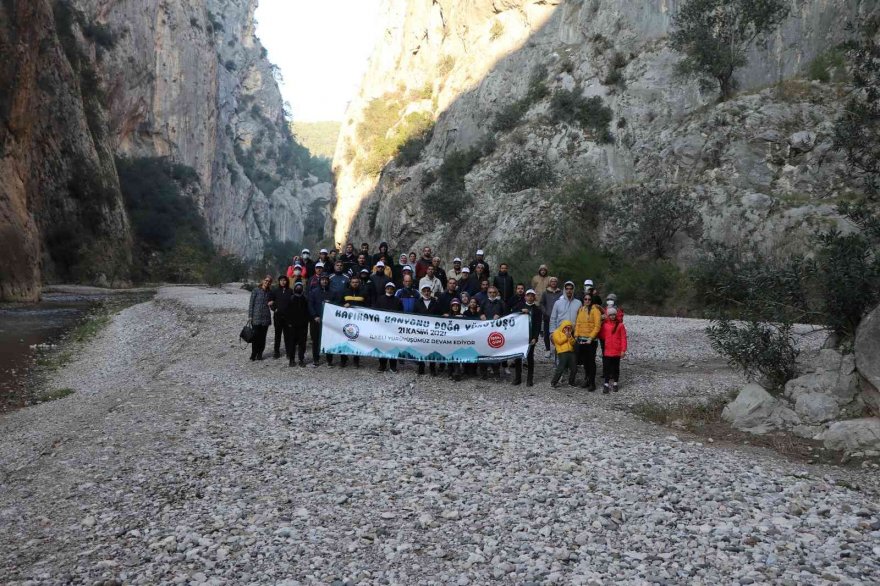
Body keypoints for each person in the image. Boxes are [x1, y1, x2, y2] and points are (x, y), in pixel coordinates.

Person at [513, 289, 543, 386]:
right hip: (519, 336)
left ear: (534, 297)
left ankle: (530, 379)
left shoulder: (537, 310)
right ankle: (518, 378)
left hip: (530, 336)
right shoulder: (519, 306)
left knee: (530, 357)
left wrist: (535, 337)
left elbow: (538, 325)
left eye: (532, 296)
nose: (530, 297)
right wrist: (520, 311)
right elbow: (512, 314)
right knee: (518, 357)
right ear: (525, 297)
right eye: (528, 295)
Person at [574, 294, 602, 391]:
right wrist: (576, 334)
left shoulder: (595, 311)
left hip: (591, 341)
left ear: (592, 300)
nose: (587, 301)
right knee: (585, 362)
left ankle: (592, 383)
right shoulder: (581, 309)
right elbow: (578, 323)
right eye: (585, 299)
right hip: (581, 339)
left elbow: (597, 326)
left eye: (589, 299)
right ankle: (587, 379)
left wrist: (591, 337)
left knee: (591, 362)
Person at [307, 274, 337, 366]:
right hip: (316, 320)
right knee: (315, 340)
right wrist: (315, 316)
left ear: (328, 281)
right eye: (322, 280)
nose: (324, 281)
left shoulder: (333, 292)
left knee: (329, 340)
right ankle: (316, 359)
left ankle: (329, 360)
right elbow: (310, 305)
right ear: (319, 281)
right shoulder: (314, 292)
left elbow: (336, 305)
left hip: (329, 321)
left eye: (326, 280)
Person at [340, 275, 368, 368]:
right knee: (344, 339)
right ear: (350, 283)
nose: (355, 284)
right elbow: (338, 304)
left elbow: (368, 305)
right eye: (353, 282)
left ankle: (356, 360)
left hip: (359, 321)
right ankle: (343, 359)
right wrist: (344, 304)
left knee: (357, 340)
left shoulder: (364, 292)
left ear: (359, 283)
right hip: (346, 320)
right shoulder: (344, 292)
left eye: (356, 282)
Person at [373, 282, 402, 372]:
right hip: (382, 328)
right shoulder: (380, 299)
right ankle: (382, 365)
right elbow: (376, 312)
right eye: (388, 288)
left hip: (393, 328)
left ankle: (393, 366)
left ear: (394, 290)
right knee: (382, 346)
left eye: (391, 288)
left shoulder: (398, 300)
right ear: (385, 289)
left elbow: (401, 314)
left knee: (393, 347)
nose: (390, 290)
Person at [599, 307, 627, 393]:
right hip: (608, 350)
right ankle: (606, 384)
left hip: (617, 350)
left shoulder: (620, 325)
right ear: (608, 315)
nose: (612, 316)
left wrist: (623, 350)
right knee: (607, 368)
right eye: (610, 315)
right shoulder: (605, 325)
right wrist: (600, 323)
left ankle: (615, 383)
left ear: (616, 315)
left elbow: (623, 338)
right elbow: (601, 336)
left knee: (615, 368)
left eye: (613, 314)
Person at [415, 284, 440, 375]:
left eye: (428, 291)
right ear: (422, 292)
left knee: (432, 348)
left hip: (433, 330)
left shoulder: (436, 302)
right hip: (421, 330)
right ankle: (421, 367)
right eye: (424, 291)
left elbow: (439, 315)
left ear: (430, 292)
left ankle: (432, 367)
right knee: (421, 348)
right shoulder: (417, 302)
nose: (426, 292)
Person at [248, 275, 273, 361]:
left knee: (263, 338)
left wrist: (273, 303)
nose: (267, 282)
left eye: (269, 281)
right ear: (263, 281)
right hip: (256, 317)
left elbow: (273, 304)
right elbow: (251, 304)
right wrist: (250, 316)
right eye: (266, 280)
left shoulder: (270, 292)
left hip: (265, 318)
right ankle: (253, 354)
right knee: (255, 337)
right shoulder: (255, 290)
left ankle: (260, 354)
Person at [268, 275, 292, 359]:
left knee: (287, 336)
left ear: (287, 281)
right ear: (279, 281)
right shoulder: (275, 291)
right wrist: (274, 309)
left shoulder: (290, 291)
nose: (283, 282)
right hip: (277, 316)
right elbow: (271, 302)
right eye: (281, 280)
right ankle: (276, 352)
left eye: (284, 280)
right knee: (277, 335)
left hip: (288, 317)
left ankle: (289, 352)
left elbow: (293, 303)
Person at [287, 282, 310, 367]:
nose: (299, 288)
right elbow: (288, 311)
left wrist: (307, 321)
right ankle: (291, 359)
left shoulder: (305, 298)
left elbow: (308, 310)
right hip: (292, 325)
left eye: (300, 287)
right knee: (292, 343)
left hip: (303, 325)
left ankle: (301, 359)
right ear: (295, 288)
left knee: (302, 343)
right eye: (297, 286)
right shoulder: (291, 298)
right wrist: (289, 322)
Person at [550, 320, 577, 387]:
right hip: (562, 352)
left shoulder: (570, 333)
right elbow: (559, 341)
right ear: (563, 326)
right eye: (566, 327)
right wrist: (566, 336)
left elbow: (573, 342)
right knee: (561, 368)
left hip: (571, 351)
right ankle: (554, 382)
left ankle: (571, 382)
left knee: (574, 368)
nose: (567, 329)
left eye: (569, 327)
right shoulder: (556, 332)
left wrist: (570, 337)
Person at [540, 277, 562, 351]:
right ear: (550, 283)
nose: (553, 282)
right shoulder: (545, 293)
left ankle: (557, 348)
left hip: (558, 317)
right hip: (547, 317)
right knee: (546, 334)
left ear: (557, 282)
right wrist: (545, 312)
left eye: (555, 281)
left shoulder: (561, 293)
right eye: (552, 281)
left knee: (558, 334)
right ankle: (548, 349)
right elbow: (542, 303)